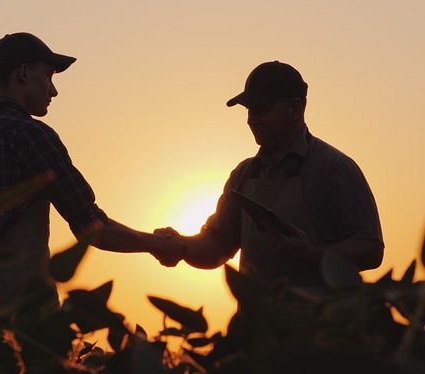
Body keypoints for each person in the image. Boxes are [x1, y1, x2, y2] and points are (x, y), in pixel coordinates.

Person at [0, 33, 184, 310]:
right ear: (23, 73)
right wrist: (158, 244)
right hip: (27, 329)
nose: (53, 91)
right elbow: (91, 226)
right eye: (49, 76)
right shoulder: (30, 135)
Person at [154, 61, 383, 287]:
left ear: (295, 108)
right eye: (249, 111)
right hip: (256, 322)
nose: (251, 120)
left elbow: (371, 251)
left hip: (320, 322)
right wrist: (180, 245)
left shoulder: (336, 169)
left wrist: (313, 253)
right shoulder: (243, 175)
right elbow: (217, 247)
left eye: (262, 110)